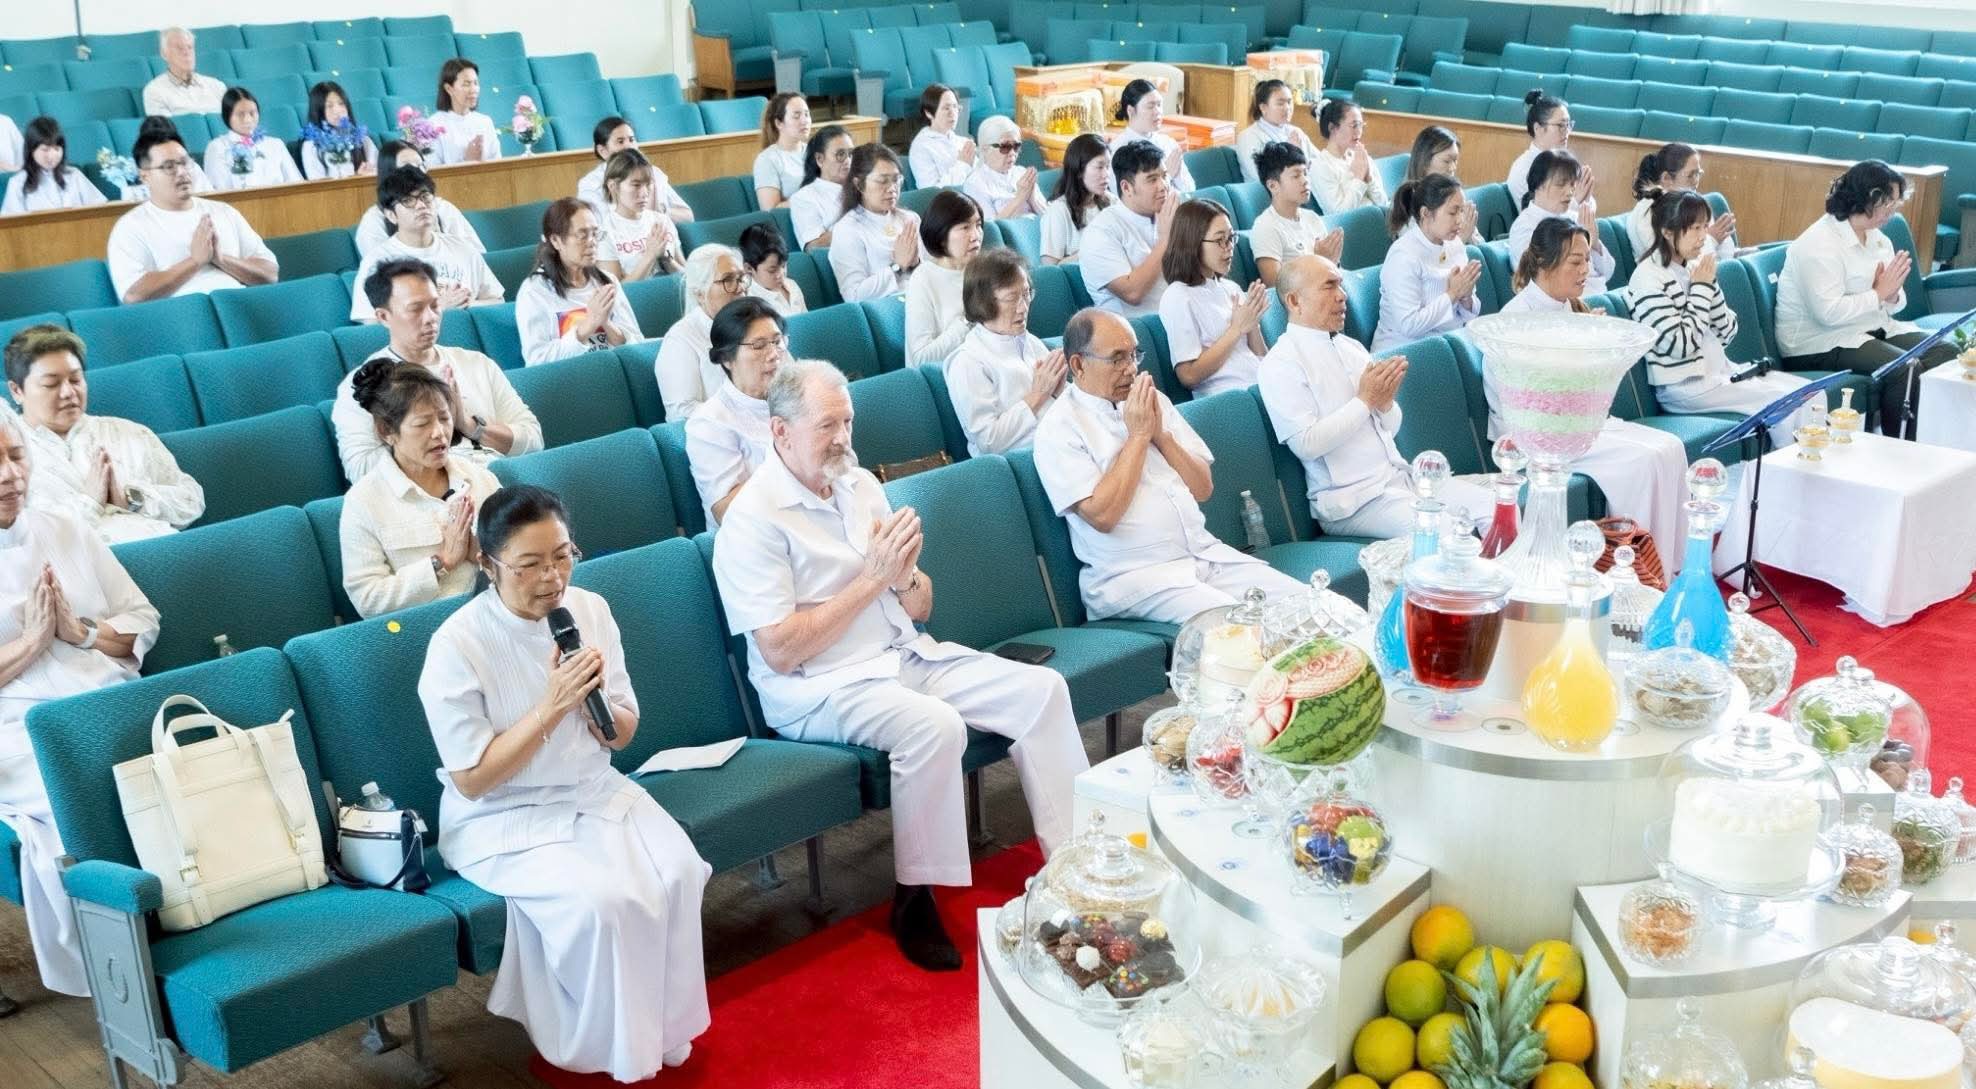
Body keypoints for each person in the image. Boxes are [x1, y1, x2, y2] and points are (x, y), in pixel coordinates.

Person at [711, 359, 1087, 970]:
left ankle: (1075, 863)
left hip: (899, 654)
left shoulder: (860, 485)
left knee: (1041, 689)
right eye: (826, 425)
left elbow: (919, 605)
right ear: (780, 432)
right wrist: (874, 579)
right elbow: (779, 650)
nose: (843, 438)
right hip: (820, 686)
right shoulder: (752, 521)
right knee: (933, 725)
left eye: (848, 421)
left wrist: (906, 573)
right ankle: (916, 898)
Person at [420, 484, 708, 1080]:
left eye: (562, 555)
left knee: (679, 872)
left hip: (590, 790)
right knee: (604, 904)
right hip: (502, 816)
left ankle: (663, 1033)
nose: (552, 577)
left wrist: (593, 705)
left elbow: (624, 732)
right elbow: (472, 780)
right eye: (530, 565)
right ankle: (605, 1048)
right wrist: (550, 709)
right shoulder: (456, 645)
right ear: (488, 564)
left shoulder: (591, 609)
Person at [0, 410, 160, 1000]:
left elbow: (142, 618)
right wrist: (31, 643)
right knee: (81, 788)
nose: (9, 474)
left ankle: (192, 915)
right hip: (14, 726)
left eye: (15, 455)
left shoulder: (66, 527)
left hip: (102, 694)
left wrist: (81, 633)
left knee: (174, 762)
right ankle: (122, 959)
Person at [1035, 309, 1305, 623]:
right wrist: (1138, 436)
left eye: (1135, 355)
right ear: (1078, 364)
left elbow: (1203, 488)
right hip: (1135, 577)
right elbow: (1102, 516)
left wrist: (1161, 436)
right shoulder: (1059, 427)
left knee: (1308, 607)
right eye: (1117, 358)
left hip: (1203, 556)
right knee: (1242, 626)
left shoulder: (1154, 401)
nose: (1131, 369)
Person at [1260, 255, 1493, 538]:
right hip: (1353, 501)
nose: (1342, 296)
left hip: (1400, 480)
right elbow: (1307, 445)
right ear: (1295, 302)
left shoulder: (1351, 347)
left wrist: (1384, 403)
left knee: (1491, 506)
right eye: (1329, 286)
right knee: (1443, 530)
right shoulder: (1280, 363)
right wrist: (1366, 401)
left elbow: (1391, 428)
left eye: (1341, 285)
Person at [1498, 219, 1688, 561]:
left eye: (1587, 260)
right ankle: (1631, 564)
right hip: (1536, 432)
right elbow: (1526, 395)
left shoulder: (1568, 306)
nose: (1586, 270)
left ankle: (1669, 564)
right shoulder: (1516, 317)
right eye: (1575, 261)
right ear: (1543, 263)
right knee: (1644, 460)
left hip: (1578, 420)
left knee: (1670, 448)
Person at [1775, 160, 1953, 438]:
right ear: (1867, 198)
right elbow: (1828, 313)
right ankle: (1901, 449)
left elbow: (1895, 302)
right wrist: (1878, 294)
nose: (1892, 211)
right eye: (1888, 203)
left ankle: (1933, 438)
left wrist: (1890, 294)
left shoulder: (1878, 239)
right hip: (1815, 343)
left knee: (1945, 353)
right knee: (1904, 369)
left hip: (1865, 330)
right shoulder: (1819, 244)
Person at [1634, 189, 1820, 447]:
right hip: (1686, 387)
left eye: (1704, 227)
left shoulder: (1692, 267)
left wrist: (1709, 286)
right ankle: (1789, 478)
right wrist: (1700, 289)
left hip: (1720, 373)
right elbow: (1680, 345)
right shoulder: (1647, 278)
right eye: (1695, 229)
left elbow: (1727, 332)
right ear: (1667, 231)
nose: (1703, 237)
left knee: (1812, 395)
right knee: (1788, 407)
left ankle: (1810, 474)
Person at [335, 258, 542, 482]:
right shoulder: (365, 385)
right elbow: (362, 471)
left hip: (503, 482)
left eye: (435, 306)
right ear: (383, 317)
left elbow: (533, 440)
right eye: (415, 309)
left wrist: (468, 425)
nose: (430, 318)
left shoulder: (476, 363)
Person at [6, 325, 204, 543]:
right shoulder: (9, 459)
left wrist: (132, 498)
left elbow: (192, 501)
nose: (68, 393)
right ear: (17, 391)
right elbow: (19, 540)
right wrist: (89, 503)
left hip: (169, 554)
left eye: (75, 380)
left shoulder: (128, 432)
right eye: (51, 384)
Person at [340, 359, 501, 618]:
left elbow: (520, 558)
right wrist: (442, 562)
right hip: (427, 632)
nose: (439, 433)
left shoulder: (481, 479)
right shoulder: (363, 502)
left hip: (497, 617)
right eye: (422, 424)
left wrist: (481, 554)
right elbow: (368, 599)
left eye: (444, 418)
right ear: (386, 431)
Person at [108, 129, 278, 304]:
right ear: (145, 176)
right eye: (169, 167)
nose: (182, 172)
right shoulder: (130, 227)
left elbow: (270, 274)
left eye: (185, 163)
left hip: (239, 306)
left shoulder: (224, 211)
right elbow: (134, 295)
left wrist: (221, 259)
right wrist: (195, 261)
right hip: (182, 320)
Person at [947, 250, 1066, 456]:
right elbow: (989, 441)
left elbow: (1054, 402)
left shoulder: (1029, 341)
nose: (1023, 308)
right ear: (983, 302)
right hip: (1021, 463)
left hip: (1059, 443)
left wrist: (1060, 392)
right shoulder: (967, 361)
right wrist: (1039, 395)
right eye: (1012, 298)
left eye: (1027, 294)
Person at [349, 166, 506, 322]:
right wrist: (438, 308)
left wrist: (468, 305)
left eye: (425, 197)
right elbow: (372, 326)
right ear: (391, 215)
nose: (421, 205)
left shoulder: (462, 248)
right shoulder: (377, 262)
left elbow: (498, 302)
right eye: (408, 200)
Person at [685, 297, 787, 526]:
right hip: (758, 537)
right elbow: (726, 511)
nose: (774, 354)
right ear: (726, 358)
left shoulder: (799, 397)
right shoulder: (708, 423)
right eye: (759, 345)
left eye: (777, 341)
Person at [1160, 200, 1269, 397]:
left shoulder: (1231, 288)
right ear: (1192, 243)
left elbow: (1261, 356)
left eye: (1231, 238)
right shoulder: (1177, 295)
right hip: (1230, 398)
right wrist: (1236, 329)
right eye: (1220, 240)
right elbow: (1188, 376)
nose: (1229, 247)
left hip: (1261, 385)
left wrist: (1252, 322)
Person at [516, 198, 643, 365]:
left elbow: (637, 343)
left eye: (595, 234)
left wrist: (604, 322)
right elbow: (537, 361)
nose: (592, 242)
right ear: (556, 241)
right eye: (582, 235)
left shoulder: (607, 281)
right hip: (570, 382)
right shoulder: (534, 291)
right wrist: (588, 324)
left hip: (613, 372)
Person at [1372, 173, 1480, 354]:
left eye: (1461, 211)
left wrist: (1467, 298)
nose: (1460, 220)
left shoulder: (1455, 245)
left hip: (1446, 343)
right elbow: (1409, 325)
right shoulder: (1403, 256)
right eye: (1453, 212)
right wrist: (1453, 294)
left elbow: (1469, 314)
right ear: (1425, 213)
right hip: (1403, 351)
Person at [1081, 140, 1177, 317]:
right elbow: (1132, 293)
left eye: (1165, 176)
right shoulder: (1101, 231)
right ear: (1126, 187)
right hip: (1134, 332)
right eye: (1152, 179)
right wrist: (1165, 241)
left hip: (1181, 318)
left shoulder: (1170, 214)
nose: (1163, 185)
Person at [654, 244, 751, 420]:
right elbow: (681, 412)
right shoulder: (681, 340)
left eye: (741, 278)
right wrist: (740, 419)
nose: (740, 287)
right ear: (699, 293)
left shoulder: (758, 322)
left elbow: (785, 375)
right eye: (728, 279)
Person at [1508, 150, 1613, 297]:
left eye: (1572, 185)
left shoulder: (1575, 218)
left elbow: (1608, 272)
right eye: (1561, 184)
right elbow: (1539, 279)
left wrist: (1594, 242)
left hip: (1598, 296)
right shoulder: (1524, 227)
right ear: (1539, 185)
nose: (1570, 192)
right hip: (1568, 306)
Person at [356, 141, 485, 256]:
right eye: (407, 166)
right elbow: (379, 268)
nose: (416, 171)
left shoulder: (442, 207)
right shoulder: (374, 219)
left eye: (420, 165)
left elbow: (476, 253)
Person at [829, 143, 921, 303]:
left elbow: (931, 271)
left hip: (923, 300)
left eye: (896, 180)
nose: (892, 188)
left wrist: (916, 263)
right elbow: (854, 296)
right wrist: (898, 267)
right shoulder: (847, 230)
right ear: (859, 184)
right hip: (887, 312)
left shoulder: (909, 219)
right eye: (882, 181)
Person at [904, 190, 984, 368]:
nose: (976, 236)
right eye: (965, 227)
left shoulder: (985, 269)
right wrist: (967, 320)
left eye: (978, 225)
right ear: (941, 236)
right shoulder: (923, 279)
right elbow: (921, 358)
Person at [1248, 140, 1342, 288]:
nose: (1305, 181)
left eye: (1305, 173)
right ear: (1273, 186)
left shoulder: (1312, 218)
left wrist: (1332, 261)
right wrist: (1320, 260)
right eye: (1296, 175)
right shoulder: (1265, 227)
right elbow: (1275, 287)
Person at [1627, 143, 1736, 260]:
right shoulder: (1647, 214)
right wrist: (1712, 239)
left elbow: (1725, 251)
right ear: (1667, 178)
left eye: (1698, 174)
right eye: (1691, 175)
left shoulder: (1692, 204)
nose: (1696, 182)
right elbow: (1666, 260)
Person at [577, 117, 689, 224]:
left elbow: (687, 216)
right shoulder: (590, 183)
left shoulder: (654, 173)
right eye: (620, 141)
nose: (629, 146)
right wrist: (645, 214)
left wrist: (660, 212)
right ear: (603, 151)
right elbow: (600, 225)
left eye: (631, 140)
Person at [596, 148, 684, 283]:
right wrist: (649, 256)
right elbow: (614, 291)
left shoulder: (662, 220)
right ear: (613, 186)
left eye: (648, 184)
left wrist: (665, 259)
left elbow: (687, 275)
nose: (644, 193)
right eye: (636, 185)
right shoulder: (604, 232)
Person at [202, 86, 304, 191]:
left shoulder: (275, 144)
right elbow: (219, 191)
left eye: (252, 113)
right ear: (227, 116)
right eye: (240, 114)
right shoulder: (217, 147)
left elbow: (296, 184)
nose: (248, 120)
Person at [3, 117, 107, 215]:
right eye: (45, 149)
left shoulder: (74, 175)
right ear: (31, 150)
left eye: (57, 149)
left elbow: (100, 208)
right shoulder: (18, 183)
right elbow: (11, 225)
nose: (52, 155)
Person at [1108, 80, 1194, 196]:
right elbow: (1122, 198)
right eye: (1150, 106)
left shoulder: (1168, 142)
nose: (1157, 111)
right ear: (1131, 111)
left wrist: (1177, 176)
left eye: (1159, 105)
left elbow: (1191, 190)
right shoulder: (1117, 149)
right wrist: (1167, 176)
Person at [1041, 133, 1112, 266]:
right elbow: (1050, 270)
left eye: (1108, 167)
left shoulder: (1111, 202)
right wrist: (1092, 250)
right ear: (1079, 170)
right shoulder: (1058, 210)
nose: (1106, 174)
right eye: (1100, 167)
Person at [1405, 124, 1480, 244]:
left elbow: (1480, 244)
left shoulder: (1454, 195)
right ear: (1424, 162)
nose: (1453, 168)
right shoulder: (1407, 201)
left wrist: (1470, 233)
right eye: (1447, 161)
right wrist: (1461, 238)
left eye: (1455, 161)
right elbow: (1425, 254)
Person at [1307, 100, 1385, 213]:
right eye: (1354, 125)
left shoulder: (1360, 156)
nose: (1359, 131)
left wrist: (1369, 178)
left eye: (1361, 125)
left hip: (1379, 220)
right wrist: (1359, 180)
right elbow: (1340, 215)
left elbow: (1383, 203)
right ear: (1332, 128)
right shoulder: (1320, 166)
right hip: (1353, 228)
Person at [962, 115, 1043, 222]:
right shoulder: (975, 183)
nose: (1012, 153)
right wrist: (1019, 198)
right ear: (985, 149)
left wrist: (1032, 198)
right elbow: (989, 229)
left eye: (1016, 146)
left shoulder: (1021, 173)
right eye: (1005, 147)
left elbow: (1051, 218)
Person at [1235, 79, 1316, 186]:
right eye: (1280, 103)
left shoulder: (1295, 132)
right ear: (1263, 107)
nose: (1287, 108)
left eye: (1289, 102)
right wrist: (1294, 156)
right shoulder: (1248, 137)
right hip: (1267, 196)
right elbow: (1264, 178)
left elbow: (1319, 163)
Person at [788, 124, 852, 250]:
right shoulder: (804, 198)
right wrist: (858, 225)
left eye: (850, 154)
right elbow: (814, 246)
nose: (848, 161)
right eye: (840, 154)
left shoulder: (863, 186)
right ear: (820, 159)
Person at [300, 80, 378, 181]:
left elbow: (380, 172)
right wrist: (357, 178)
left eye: (341, 103)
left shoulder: (362, 139)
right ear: (318, 111)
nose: (337, 110)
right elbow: (319, 188)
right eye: (329, 106)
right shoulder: (311, 146)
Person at [1506, 90, 1571, 207]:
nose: (1567, 132)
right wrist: (1579, 200)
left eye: (1568, 125)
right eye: (1561, 125)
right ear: (1538, 128)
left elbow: (1589, 204)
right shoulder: (1524, 169)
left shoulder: (1563, 163)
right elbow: (1541, 214)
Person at [431, 58, 502, 165]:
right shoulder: (434, 125)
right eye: (466, 84)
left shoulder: (485, 121)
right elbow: (433, 173)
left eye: (476, 83)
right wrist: (467, 162)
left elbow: (498, 164)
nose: (474, 89)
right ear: (449, 89)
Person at [142, 27, 226, 117]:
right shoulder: (154, 91)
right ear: (164, 54)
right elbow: (164, 129)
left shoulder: (217, 86)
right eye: (179, 48)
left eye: (190, 47)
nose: (186, 52)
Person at [907, 84, 974, 189]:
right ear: (928, 113)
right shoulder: (921, 147)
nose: (953, 113)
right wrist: (962, 165)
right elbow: (930, 192)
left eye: (955, 107)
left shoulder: (962, 141)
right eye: (946, 108)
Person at [754, 92, 811, 210]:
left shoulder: (816, 150)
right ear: (779, 123)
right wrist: (811, 199)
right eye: (796, 116)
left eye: (807, 114)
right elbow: (770, 209)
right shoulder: (767, 159)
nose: (804, 121)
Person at [741, 221, 808, 317]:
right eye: (772, 270)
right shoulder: (749, 301)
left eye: (784, 266)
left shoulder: (792, 286)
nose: (781, 274)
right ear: (749, 268)